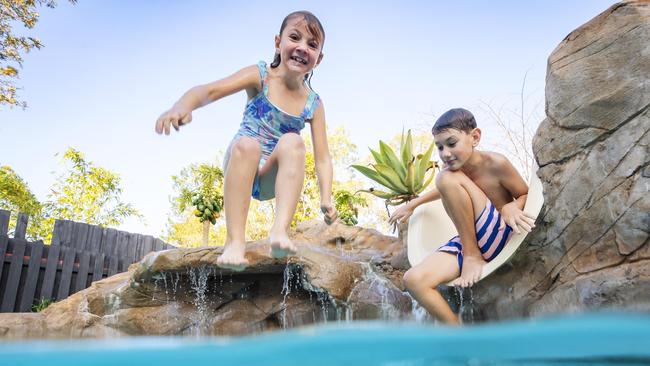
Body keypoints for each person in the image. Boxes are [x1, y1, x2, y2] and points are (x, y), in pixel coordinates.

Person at [155, 11, 337, 271]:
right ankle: (235, 242)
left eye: (312, 44)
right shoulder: (261, 76)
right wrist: (181, 106)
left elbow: (323, 158)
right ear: (278, 42)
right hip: (240, 165)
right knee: (248, 144)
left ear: (319, 58)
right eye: (294, 38)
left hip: (270, 179)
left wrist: (326, 196)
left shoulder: (313, 104)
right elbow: (209, 90)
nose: (302, 48)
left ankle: (279, 232)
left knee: (293, 142)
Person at [389, 108, 535, 324]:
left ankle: (472, 256)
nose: (445, 153)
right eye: (439, 147)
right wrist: (413, 204)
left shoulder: (496, 163)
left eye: (451, 143)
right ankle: (460, 337)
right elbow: (444, 189)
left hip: (497, 236)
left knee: (445, 178)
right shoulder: (455, 175)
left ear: (474, 137)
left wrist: (512, 207)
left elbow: (525, 194)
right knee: (414, 280)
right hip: (468, 242)